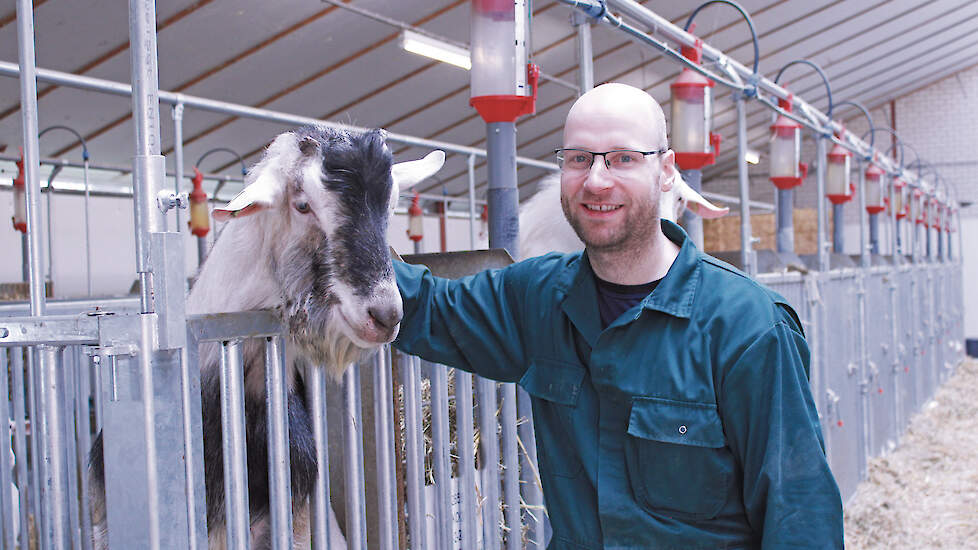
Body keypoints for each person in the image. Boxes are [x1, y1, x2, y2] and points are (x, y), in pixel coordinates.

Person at [392, 82, 843, 549]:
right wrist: (331, 221)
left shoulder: (748, 326)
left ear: (666, 171)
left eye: (623, 158)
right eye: (579, 158)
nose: (596, 180)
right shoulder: (537, 296)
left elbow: (800, 516)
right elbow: (421, 306)